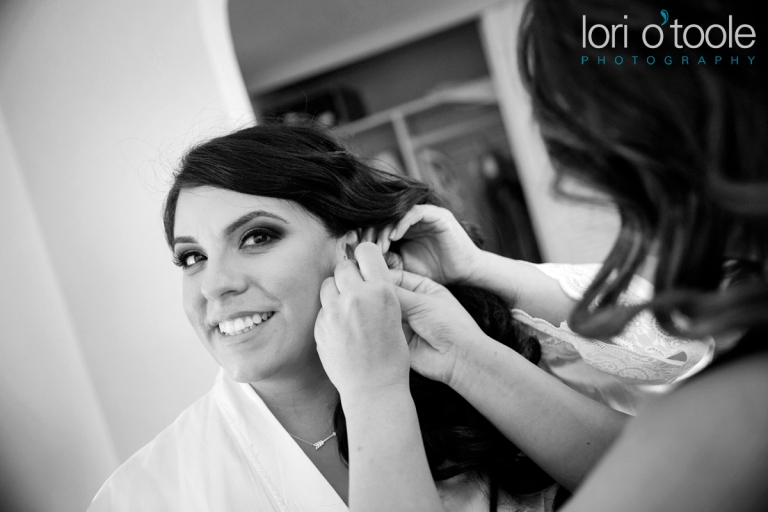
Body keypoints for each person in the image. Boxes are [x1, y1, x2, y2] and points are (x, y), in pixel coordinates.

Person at [315, 0, 768, 510]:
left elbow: (674, 414)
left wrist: (374, 394)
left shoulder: (736, 409)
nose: (564, 178)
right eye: (198, 256)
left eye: (260, 237)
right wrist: (464, 350)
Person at [90, 123, 637, 512]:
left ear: (352, 247)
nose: (214, 284)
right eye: (192, 258)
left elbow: (671, 477)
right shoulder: (143, 495)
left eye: (257, 237)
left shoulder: (467, 364)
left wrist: (468, 356)